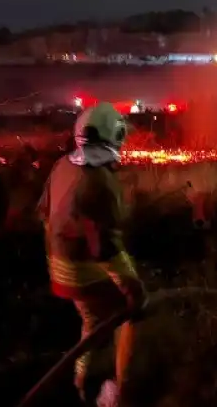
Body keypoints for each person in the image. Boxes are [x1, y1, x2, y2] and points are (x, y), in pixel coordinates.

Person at [38, 102, 147, 406]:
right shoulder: (101, 182)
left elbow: (45, 214)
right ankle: (119, 391)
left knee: (92, 318)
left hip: (58, 264)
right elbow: (105, 249)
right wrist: (132, 288)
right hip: (79, 269)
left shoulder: (63, 165)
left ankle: (81, 380)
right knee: (128, 313)